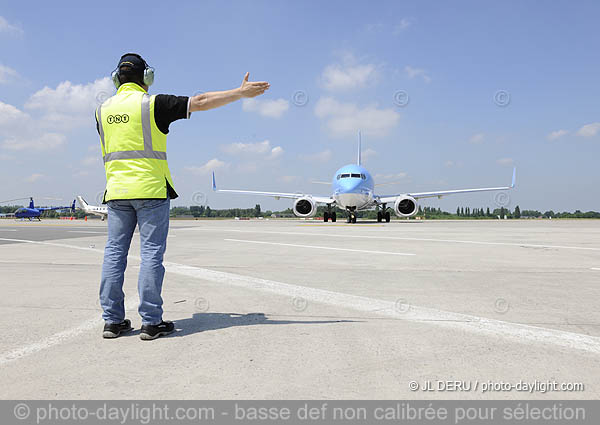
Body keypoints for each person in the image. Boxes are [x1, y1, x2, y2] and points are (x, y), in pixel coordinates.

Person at [96, 53, 269, 340]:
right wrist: (239, 93)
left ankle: (112, 322)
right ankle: (151, 322)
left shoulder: (101, 110)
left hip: (116, 192)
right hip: (150, 190)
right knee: (151, 254)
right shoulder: (153, 104)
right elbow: (199, 102)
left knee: (114, 254)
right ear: (147, 77)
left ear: (116, 78)